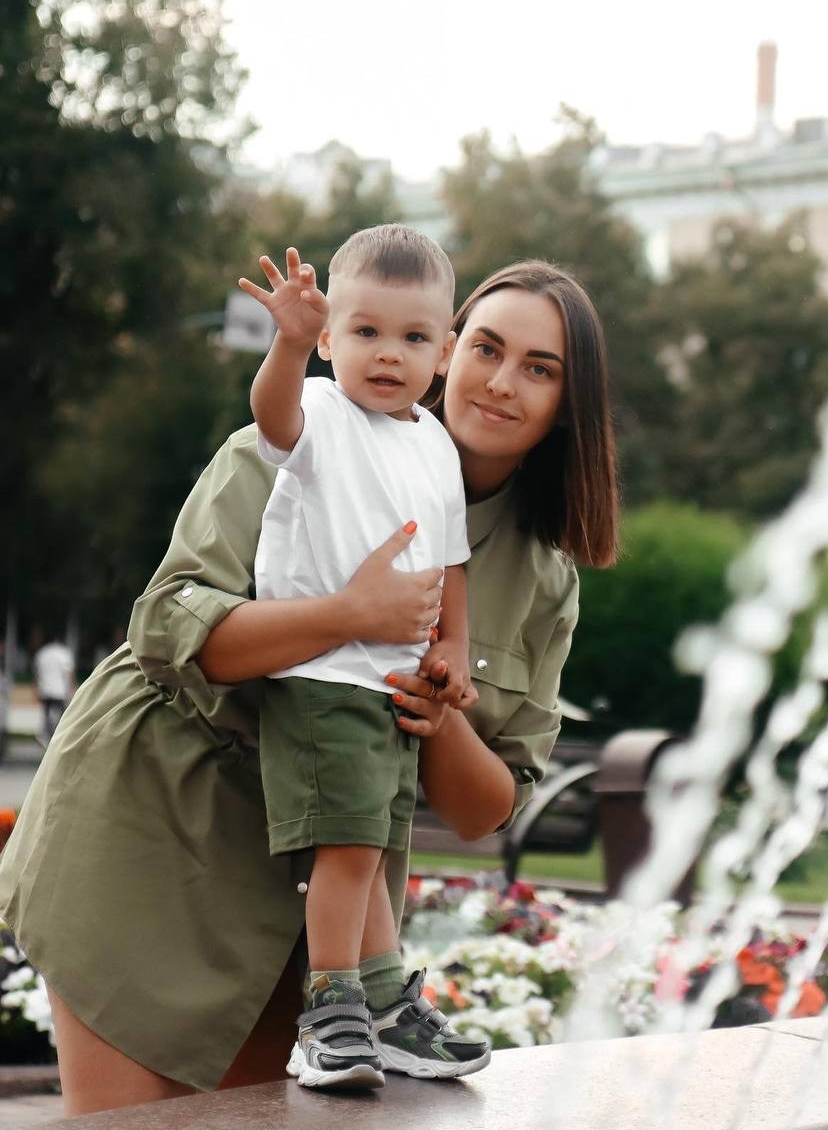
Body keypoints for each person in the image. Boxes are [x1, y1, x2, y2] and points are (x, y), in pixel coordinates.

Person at [0, 257, 619, 1115]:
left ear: (567, 405)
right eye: (489, 348)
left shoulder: (545, 580)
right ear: (454, 352)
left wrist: (438, 716)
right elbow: (166, 629)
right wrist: (347, 614)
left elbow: (485, 809)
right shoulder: (305, 442)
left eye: (540, 368)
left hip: (312, 905)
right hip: (157, 829)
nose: (503, 383)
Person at [238, 226, 485, 1089]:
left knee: (373, 849)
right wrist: (289, 343)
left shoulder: (434, 446)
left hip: (391, 685)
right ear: (334, 337)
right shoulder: (324, 416)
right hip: (321, 674)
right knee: (346, 851)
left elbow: (450, 563)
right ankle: (331, 1011)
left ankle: (384, 1012)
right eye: (366, 332)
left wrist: (453, 647)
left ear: (444, 352)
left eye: (414, 338)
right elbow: (273, 415)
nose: (389, 355)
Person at [32, 635, 74, 743]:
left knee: (46, 714)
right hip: (59, 690)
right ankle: (58, 736)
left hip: (45, 689)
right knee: (61, 714)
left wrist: (36, 689)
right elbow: (68, 673)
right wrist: (71, 688)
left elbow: (38, 673)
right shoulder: (64, 653)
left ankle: (44, 735)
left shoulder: (42, 653)